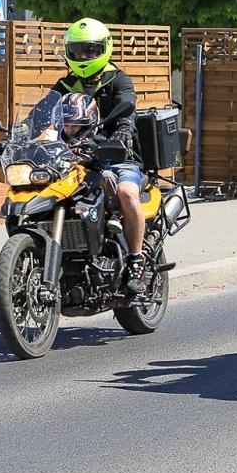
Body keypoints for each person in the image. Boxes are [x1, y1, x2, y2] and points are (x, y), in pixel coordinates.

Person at [48, 18, 149, 294]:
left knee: (127, 193)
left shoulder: (118, 80)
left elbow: (127, 109)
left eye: (90, 50)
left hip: (119, 156)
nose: (83, 56)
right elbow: (43, 113)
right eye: (77, 50)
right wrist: (19, 134)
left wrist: (123, 132)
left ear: (104, 48)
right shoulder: (66, 83)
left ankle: (136, 261)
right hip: (77, 157)